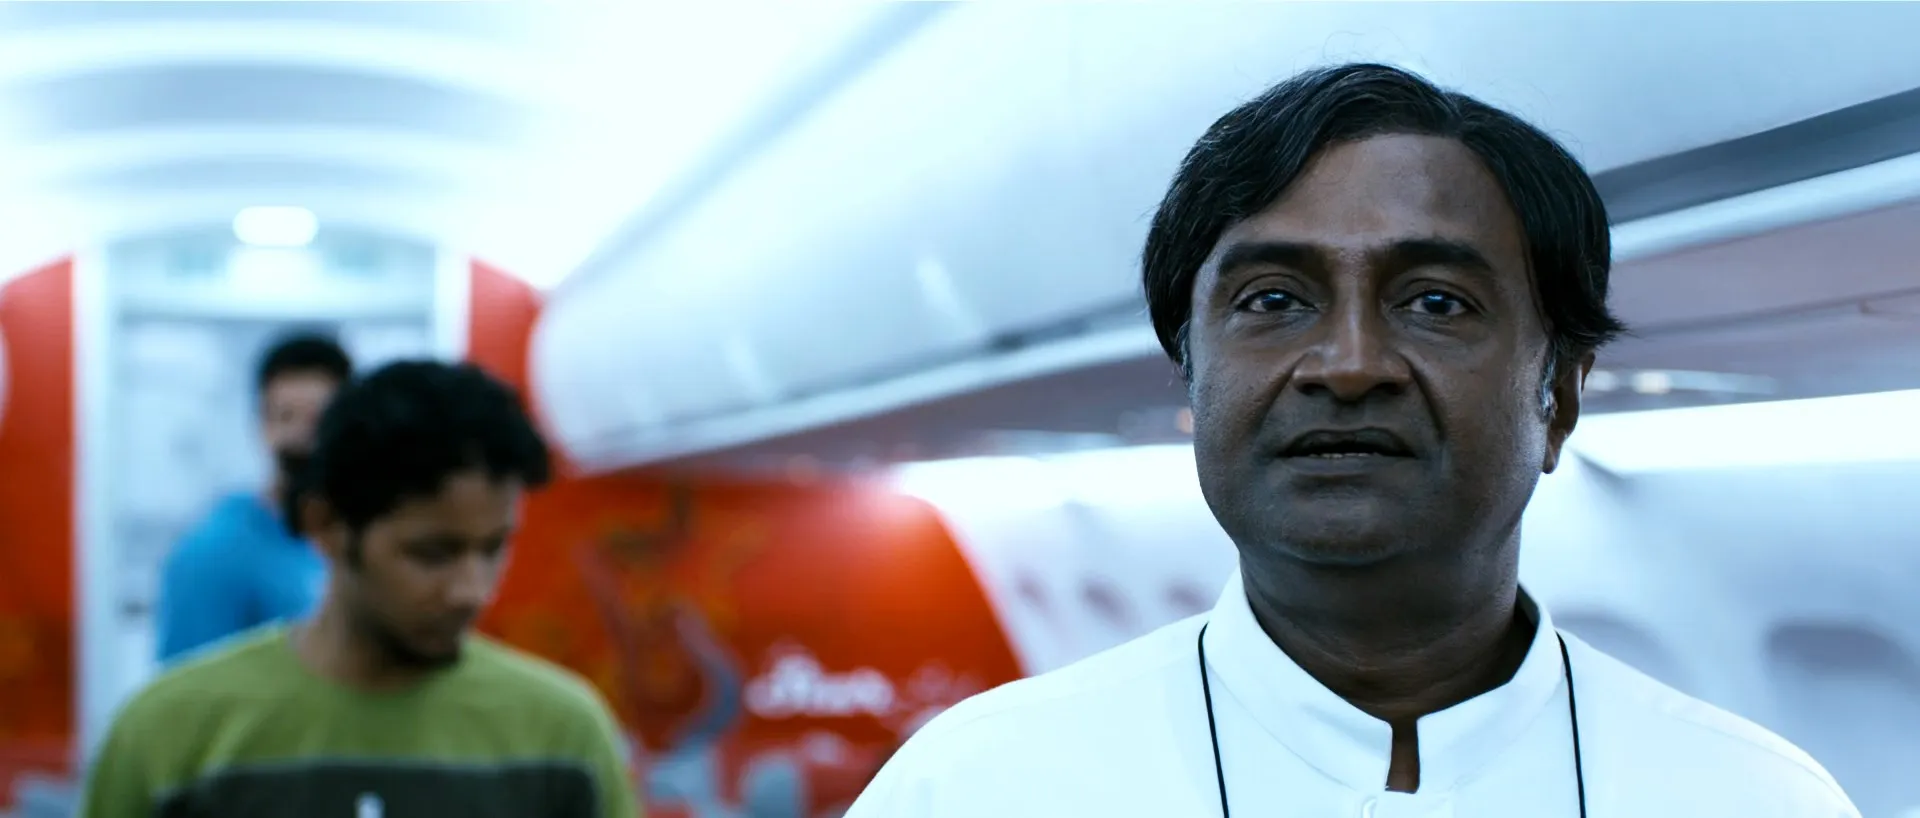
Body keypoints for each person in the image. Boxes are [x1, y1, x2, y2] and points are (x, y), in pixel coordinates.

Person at [847, 63, 1858, 817]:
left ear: (1558, 394)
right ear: (1191, 378)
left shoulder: (1753, 796)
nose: (1348, 364)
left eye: (1435, 300)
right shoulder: (976, 785)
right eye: (1273, 299)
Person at [83, 360, 641, 818]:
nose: (472, 591)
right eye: (432, 553)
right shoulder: (170, 737)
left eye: (493, 548)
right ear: (327, 525)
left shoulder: (563, 739)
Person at [155, 332, 350, 663]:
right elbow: (188, 685)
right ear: (262, 425)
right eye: (285, 417)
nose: (303, 436)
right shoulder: (212, 555)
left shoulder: (372, 542)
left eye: (318, 419)